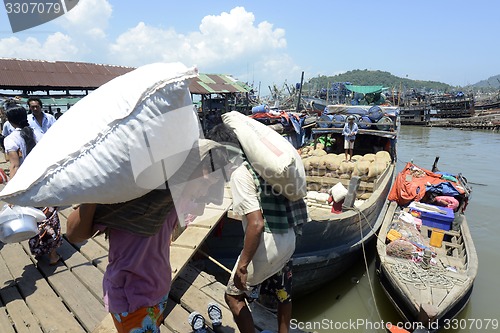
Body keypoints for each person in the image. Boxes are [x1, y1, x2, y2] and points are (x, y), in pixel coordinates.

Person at [66, 139, 232, 333]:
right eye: (205, 182)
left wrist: (212, 176)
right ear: (190, 168)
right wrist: (94, 192)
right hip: (132, 298)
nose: (204, 191)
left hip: (158, 289)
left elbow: (204, 203)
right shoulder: (135, 197)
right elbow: (73, 234)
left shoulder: (180, 195)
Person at [207, 123, 308, 333]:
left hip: (268, 244)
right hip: (288, 238)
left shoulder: (240, 174)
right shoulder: (266, 169)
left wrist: (243, 265)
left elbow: (256, 223)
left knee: (233, 297)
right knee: (283, 294)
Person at [3, 103, 62, 265]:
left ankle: (39, 250)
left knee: (31, 217)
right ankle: (53, 255)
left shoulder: (11, 139)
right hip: (44, 182)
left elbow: (14, 166)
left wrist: (11, 193)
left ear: (9, 121)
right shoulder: (39, 133)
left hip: (25, 185)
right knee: (49, 218)